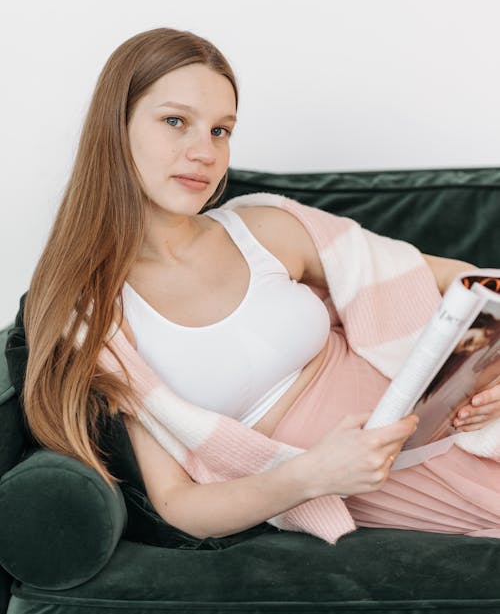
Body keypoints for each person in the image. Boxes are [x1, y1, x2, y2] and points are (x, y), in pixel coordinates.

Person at [19, 28, 500, 542]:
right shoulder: (101, 317)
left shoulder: (264, 227)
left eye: (220, 130)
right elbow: (178, 504)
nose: (204, 151)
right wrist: (312, 476)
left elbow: (456, 280)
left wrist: (485, 371)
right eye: (176, 121)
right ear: (116, 128)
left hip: (459, 418)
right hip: (381, 479)